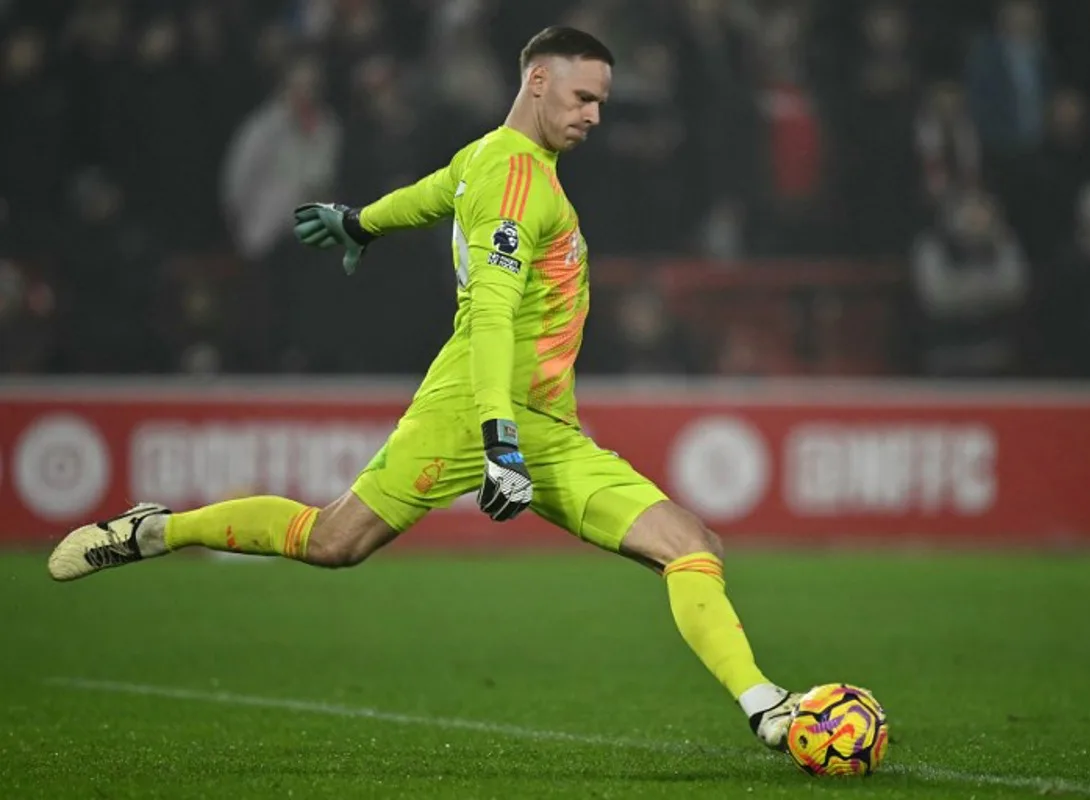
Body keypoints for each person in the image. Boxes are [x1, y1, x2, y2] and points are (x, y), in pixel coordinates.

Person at [47, 26, 810, 754]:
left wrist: (362, 223)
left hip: (547, 426)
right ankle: (157, 530)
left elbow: (432, 192)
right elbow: (489, 316)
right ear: (537, 81)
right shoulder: (516, 180)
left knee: (690, 545)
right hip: (471, 415)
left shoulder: (490, 158)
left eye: (601, 102)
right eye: (583, 98)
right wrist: (496, 439)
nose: (595, 116)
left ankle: (765, 706)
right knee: (333, 541)